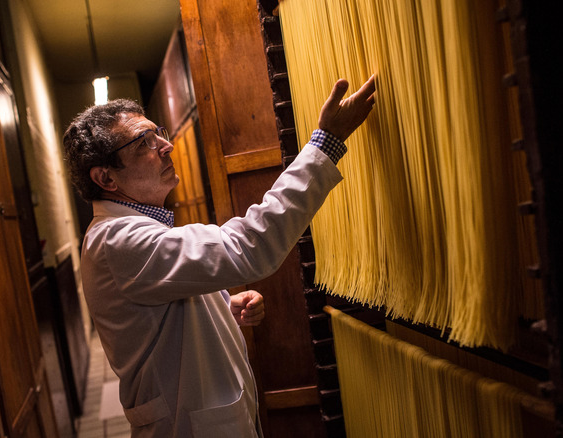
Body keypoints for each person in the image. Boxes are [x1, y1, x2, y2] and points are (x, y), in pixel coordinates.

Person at [63, 75, 376, 437]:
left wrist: (221, 307)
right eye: (143, 143)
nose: (167, 145)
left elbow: (158, 313)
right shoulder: (120, 241)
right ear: (106, 178)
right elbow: (247, 247)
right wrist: (327, 144)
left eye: (158, 133)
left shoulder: (129, 233)